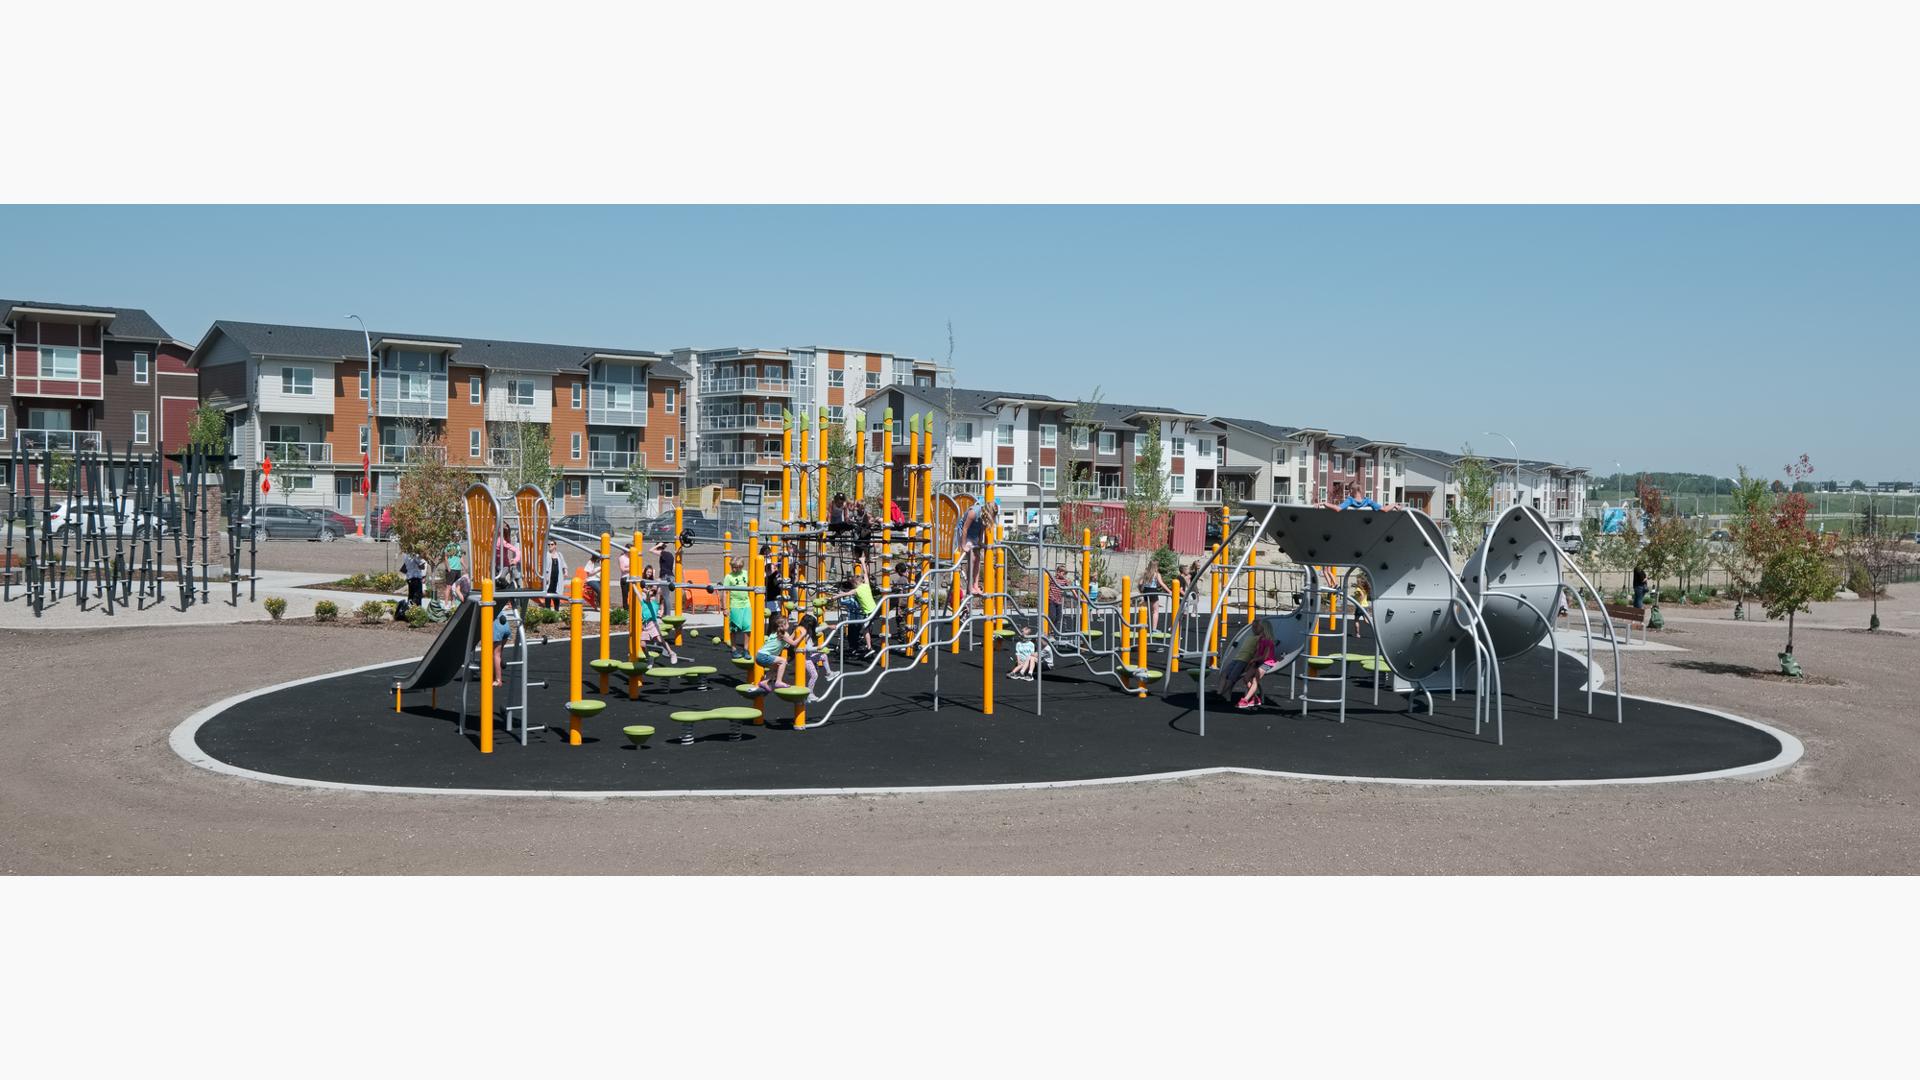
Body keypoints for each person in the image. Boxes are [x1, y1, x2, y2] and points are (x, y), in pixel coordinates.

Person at [829, 561, 881, 658]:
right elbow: (865, 574)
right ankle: (869, 647)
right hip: (876, 609)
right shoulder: (866, 585)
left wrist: (834, 597)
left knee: (865, 629)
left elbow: (845, 594)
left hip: (870, 612)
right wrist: (862, 562)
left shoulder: (856, 590)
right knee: (866, 628)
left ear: (856, 583)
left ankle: (870, 648)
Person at [1233, 620, 1281, 709]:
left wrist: (1254, 660)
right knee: (1246, 678)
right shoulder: (1260, 640)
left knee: (1255, 679)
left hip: (1267, 663)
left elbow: (1265, 657)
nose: (1256, 628)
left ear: (1263, 629)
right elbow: (1257, 653)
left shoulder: (1268, 642)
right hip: (1259, 661)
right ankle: (1255, 698)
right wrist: (1253, 661)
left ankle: (1245, 699)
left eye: (1258, 627)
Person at [955, 499, 997, 598]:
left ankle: (975, 585)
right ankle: (969, 586)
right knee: (972, 558)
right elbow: (964, 529)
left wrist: (980, 542)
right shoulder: (973, 512)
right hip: (965, 534)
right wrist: (963, 545)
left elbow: (981, 529)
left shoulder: (985, 517)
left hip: (974, 536)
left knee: (978, 558)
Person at [752, 613, 803, 692]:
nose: (789, 624)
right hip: (764, 656)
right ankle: (778, 681)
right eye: (787, 623)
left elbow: (788, 641)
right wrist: (802, 635)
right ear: (782, 626)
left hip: (759, 656)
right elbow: (794, 643)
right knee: (783, 661)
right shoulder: (783, 635)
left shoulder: (776, 633)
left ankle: (765, 682)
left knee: (776, 667)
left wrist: (794, 632)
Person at [637, 583, 682, 665]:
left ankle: (671, 653)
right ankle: (649, 658)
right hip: (645, 626)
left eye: (653, 593)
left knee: (660, 640)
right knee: (642, 645)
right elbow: (637, 592)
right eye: (650, 593)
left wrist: (658, 584)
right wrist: (633, 584)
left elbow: (656, 594)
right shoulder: (643, 602)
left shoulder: (655, 603)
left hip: (652, 624)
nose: (651, 594)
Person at [722, 558, 752, 659]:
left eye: (737, 567)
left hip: (746, 603)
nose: (734, 569)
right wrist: (725, 608)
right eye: (733, 567)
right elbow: (725, 593)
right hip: (735, 605)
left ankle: (746, 649)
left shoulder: (746, 573)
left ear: (741, 567)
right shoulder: (728, 577)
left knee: (747, 627)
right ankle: (734, 649)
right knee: (735, 628)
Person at [490, 602, 520, 687]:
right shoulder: (496, 603)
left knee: (495, 654)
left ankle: (498, 680)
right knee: (498, 654)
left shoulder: (486, 604)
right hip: (505, 625)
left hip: (497, 626)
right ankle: (496, 672)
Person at [542, 544, 568, 610]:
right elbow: (544, 566)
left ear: (555, 546)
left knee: (557, 592)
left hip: (557, 577)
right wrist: (545, 576)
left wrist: (565, 571)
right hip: (549, 577)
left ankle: (557, 609)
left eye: (552, 544)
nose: (550, 546)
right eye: (548, 544)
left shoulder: (559, 554)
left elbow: (563, 563)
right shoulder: (547, 554)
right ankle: (547, 610)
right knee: (548, 592)